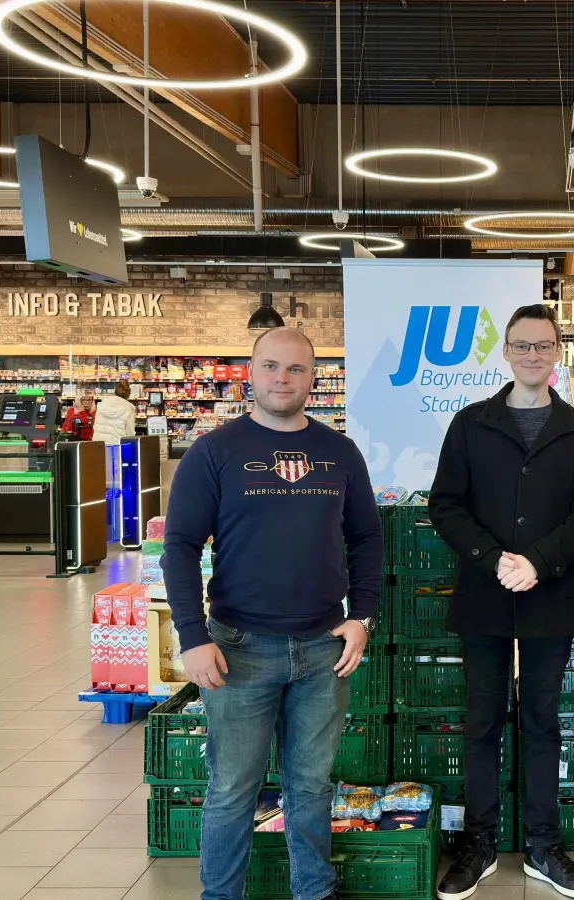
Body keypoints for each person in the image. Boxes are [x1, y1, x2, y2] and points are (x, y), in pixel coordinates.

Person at [162, 327, 383, 900]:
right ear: (251, 373)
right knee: (233, 787)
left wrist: (363, 616)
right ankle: (220, 895)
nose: (282, 379)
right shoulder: (214, 451)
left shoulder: (339, 452)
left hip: (322, 648)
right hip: (237, 647)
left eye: (295, 369)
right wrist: (190, 635)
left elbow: (366, 538)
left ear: (313, 378)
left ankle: (314, 889)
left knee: (311, 785)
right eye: (270, 367)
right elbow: (180, 546)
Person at [429, 304, 574, 900]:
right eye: (522, 345)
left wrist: (539, 561)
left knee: (542, 722)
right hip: (484, 592)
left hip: (547, 593)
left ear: (558, 353)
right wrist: (493, 559)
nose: (533, 355)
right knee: (480, 721)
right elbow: (446, 504)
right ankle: (478, 843)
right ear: (505, 353)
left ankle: (541, 845)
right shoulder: (471, 423)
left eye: (544, 345)